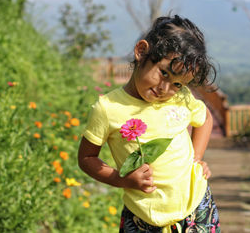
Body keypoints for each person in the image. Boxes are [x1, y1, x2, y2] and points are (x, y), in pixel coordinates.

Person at [78, 15, 220, 233]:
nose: (165, 88)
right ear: (142, 52)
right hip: (144, 217)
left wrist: (197, 158)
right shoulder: (108, 109)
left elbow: (205, 119)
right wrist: (120, 179)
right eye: (163, 73)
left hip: (197, 207)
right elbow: (87, 158)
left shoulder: (181, 98)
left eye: (177, 83)